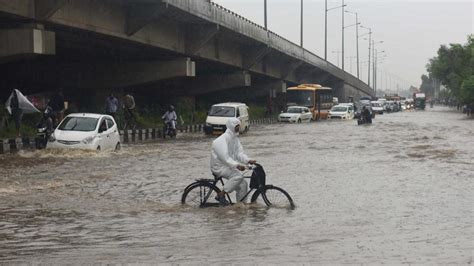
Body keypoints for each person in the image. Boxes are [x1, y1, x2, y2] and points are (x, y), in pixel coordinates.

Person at [211, 118, 256, 205]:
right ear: (232, 126)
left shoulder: (235, 139)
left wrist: (248, 160)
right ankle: (221, 194)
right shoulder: (222, 139)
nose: (238, 128)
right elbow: (225, 157)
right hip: (219, 167)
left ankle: (241, 206)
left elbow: (239, 153)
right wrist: (237, 165)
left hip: (228, 166)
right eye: (237, 126)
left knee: (243, 184)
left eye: (239, 126)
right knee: (238, 175)